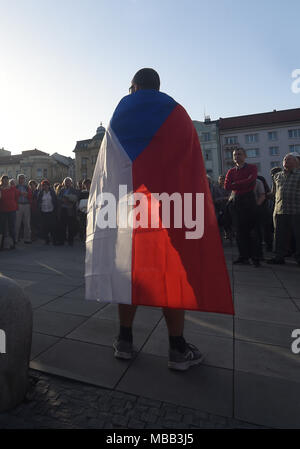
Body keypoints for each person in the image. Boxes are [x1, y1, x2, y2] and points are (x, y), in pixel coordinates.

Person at [86, 68, 233, 371]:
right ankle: (177, 348)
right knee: (172, 273)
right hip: (172, 209)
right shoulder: (177, 113)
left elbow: (108, 168)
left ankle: (124, 340)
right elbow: (191, 164)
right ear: (158, 85)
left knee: (129, 271)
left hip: (128, 209)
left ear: (135, 86)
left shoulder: (120, 113)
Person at [224, 148, 260, 266]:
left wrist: (235, 184)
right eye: (234, 155)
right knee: (239, 231)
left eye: (239, 154)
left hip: (248, 200)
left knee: (252, 230)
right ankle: (243, 256)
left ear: (245, 156)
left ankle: (255, 257)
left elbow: (251, 181)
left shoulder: (252, 168)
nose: (237, 156)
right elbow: (226, 186)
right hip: (236, 201)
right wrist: (242, 183)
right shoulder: (231, 171)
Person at [267, 153, 300, 265]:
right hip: (279, 210)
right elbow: (274, 192)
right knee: (279, 235)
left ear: (296, 163)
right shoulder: (277, 175)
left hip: (296, 210)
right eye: (285, 159)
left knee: (298, 235)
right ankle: (279, 257)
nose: (286, 161)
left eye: (289, 159)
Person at [0, 175, 20, 250]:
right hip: (2, 210)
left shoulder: (12, 188)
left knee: (12, 227)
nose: (5, 181)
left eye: (6, 179)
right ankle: (1, 244)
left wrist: (15, 204)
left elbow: (18, 195)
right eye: (3, 179)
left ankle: (13, 244)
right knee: (2, 228)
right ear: (1, 180)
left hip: (12, 210)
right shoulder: (0, 189)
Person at [57, 177, 78, 246]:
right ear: (64, 183)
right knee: (62, 226)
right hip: (63, 209)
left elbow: (76, 198)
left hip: (70, 210)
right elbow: (58, 198)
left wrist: (68, 199)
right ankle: (62, 240)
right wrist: (62, 200)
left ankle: (70, 241)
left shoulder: (74, 190)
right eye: (66, 182)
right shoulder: (62, 190)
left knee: (70, 226)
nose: (67, 183)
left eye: (68, 182)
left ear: (71, 183)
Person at [37, 180, 58, 244]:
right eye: (43, 185)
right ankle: (47, 240)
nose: (45, 186)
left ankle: (54, 240)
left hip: (51, 211)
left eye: (46, 185)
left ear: (49, 186)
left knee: (52, 226)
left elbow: (55, 201)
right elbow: (38, 201)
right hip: (43, 211)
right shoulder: (41, 193)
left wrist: (55, 209)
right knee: (45, 227)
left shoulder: (52, 192)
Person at [15, 174, 32, 243]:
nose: (21, 179)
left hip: (26, 205)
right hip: (18, 205)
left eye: (22, 178)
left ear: (24, 179)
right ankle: (15, 238)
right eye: (20, 178)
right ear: (18, 179)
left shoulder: (27, 187)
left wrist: (27, 194)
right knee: (17, 223)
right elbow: (14, 196)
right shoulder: (15, 187)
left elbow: (31, 195)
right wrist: (20, 193)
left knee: (27, 223)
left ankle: (27, 238)